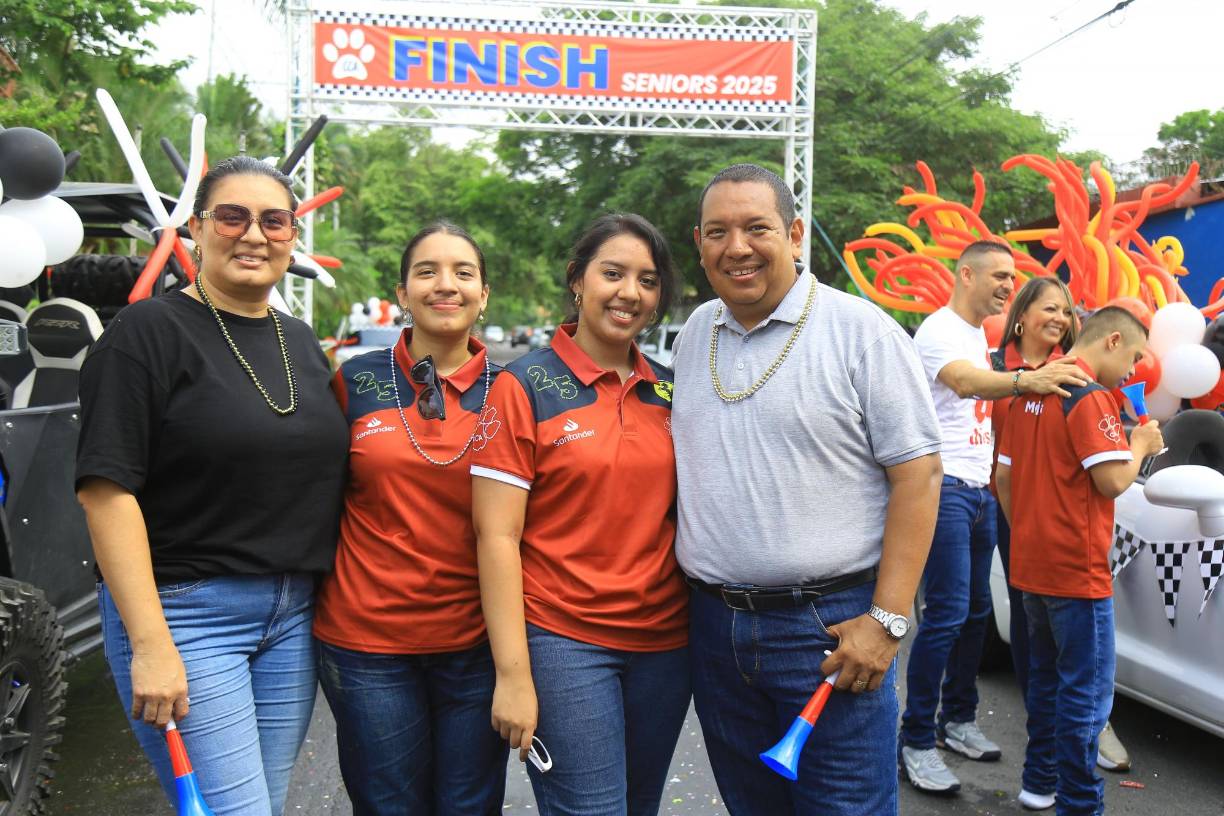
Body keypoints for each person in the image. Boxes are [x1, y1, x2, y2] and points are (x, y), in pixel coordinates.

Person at [75, 156, 349, 815]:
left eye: (274, 220)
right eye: (232, 216)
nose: (253, 234)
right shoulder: (144, 335)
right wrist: (150, 644)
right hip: (187, 614)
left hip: (291, 616)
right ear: (198, 228)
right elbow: (105, 492)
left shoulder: (302, 343)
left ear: (291, 237)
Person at [670, 162, 942, 816]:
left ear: (794, 234)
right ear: (700, 244)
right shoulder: (693, 334)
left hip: (829, 632)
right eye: (717, 232)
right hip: (714, 629)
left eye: (756, 228)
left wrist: (888, 619)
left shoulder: (861, 331)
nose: (736, 247)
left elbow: (920, 475)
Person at [471, 214, 689, 815]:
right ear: (577, 280)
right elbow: (496, 536)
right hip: (565, 641)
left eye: (647, 281)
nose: (630, 293)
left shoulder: (670, 388)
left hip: (665, 646)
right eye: (613, 274)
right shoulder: (525, 385)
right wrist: (513, 676)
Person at [312, 222, 508, 814]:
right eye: (427, 272)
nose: (444, 286)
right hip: (368, 644)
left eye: (462, 273)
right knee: (387, 805)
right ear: (402, 293)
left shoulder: (514, 390)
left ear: (483, 294)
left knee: (469, 805)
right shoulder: (355, 379)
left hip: (478, 644)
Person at [899, 242, 1089, 794]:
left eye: (1013, 278)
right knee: (947, 614)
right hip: (945, 488)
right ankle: (913, 741)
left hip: (978, 490)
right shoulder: (939, 329)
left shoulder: (978, 337)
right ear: (966, 274)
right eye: (1001, 276)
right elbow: (963, 383)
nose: (1010, 286)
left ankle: (955, 720)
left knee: (977, 613)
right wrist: (1025, 380)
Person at [996, 306, 1163, 814]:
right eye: (1134, 357)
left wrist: (1029, 529)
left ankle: (1038, 784)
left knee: (1046, 685)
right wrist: (1139, 446)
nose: (1133, 372)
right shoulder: (1089, 397)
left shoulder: (1033, 390)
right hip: (1076, 571)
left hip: (1032, 566)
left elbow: (1003, 478)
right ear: (1112, 341)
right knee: (1085, 702)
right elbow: (1113, 480)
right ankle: (1079, 804)